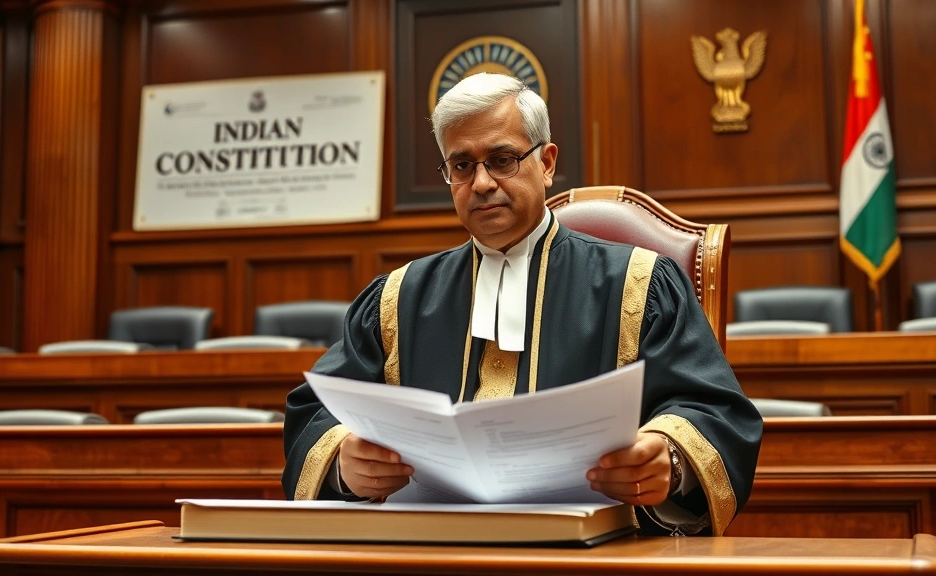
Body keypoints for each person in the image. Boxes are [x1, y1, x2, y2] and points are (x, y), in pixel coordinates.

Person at [283, 73, 762, 536]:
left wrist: (669, 459)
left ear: (547, 162)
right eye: (462, 165)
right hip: (432, 555)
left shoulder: (642, 282)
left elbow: (714, 410)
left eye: (503, 159)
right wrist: (345, 462)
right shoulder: (396, 296)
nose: (483, 182)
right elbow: (317, 408)